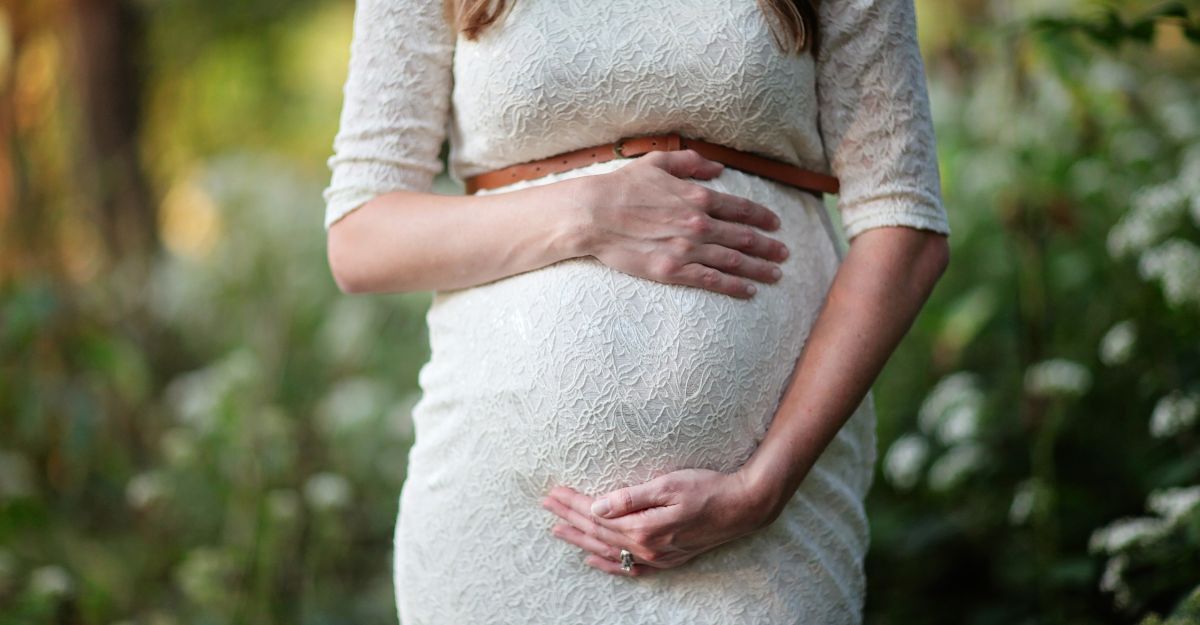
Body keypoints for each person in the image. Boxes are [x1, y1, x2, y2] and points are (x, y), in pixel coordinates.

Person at [322, 0, 951, 622]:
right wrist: (587, 215)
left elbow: (904, 224)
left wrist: (762, 489)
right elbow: (360, 237)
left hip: (765, 533)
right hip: (498, 522)